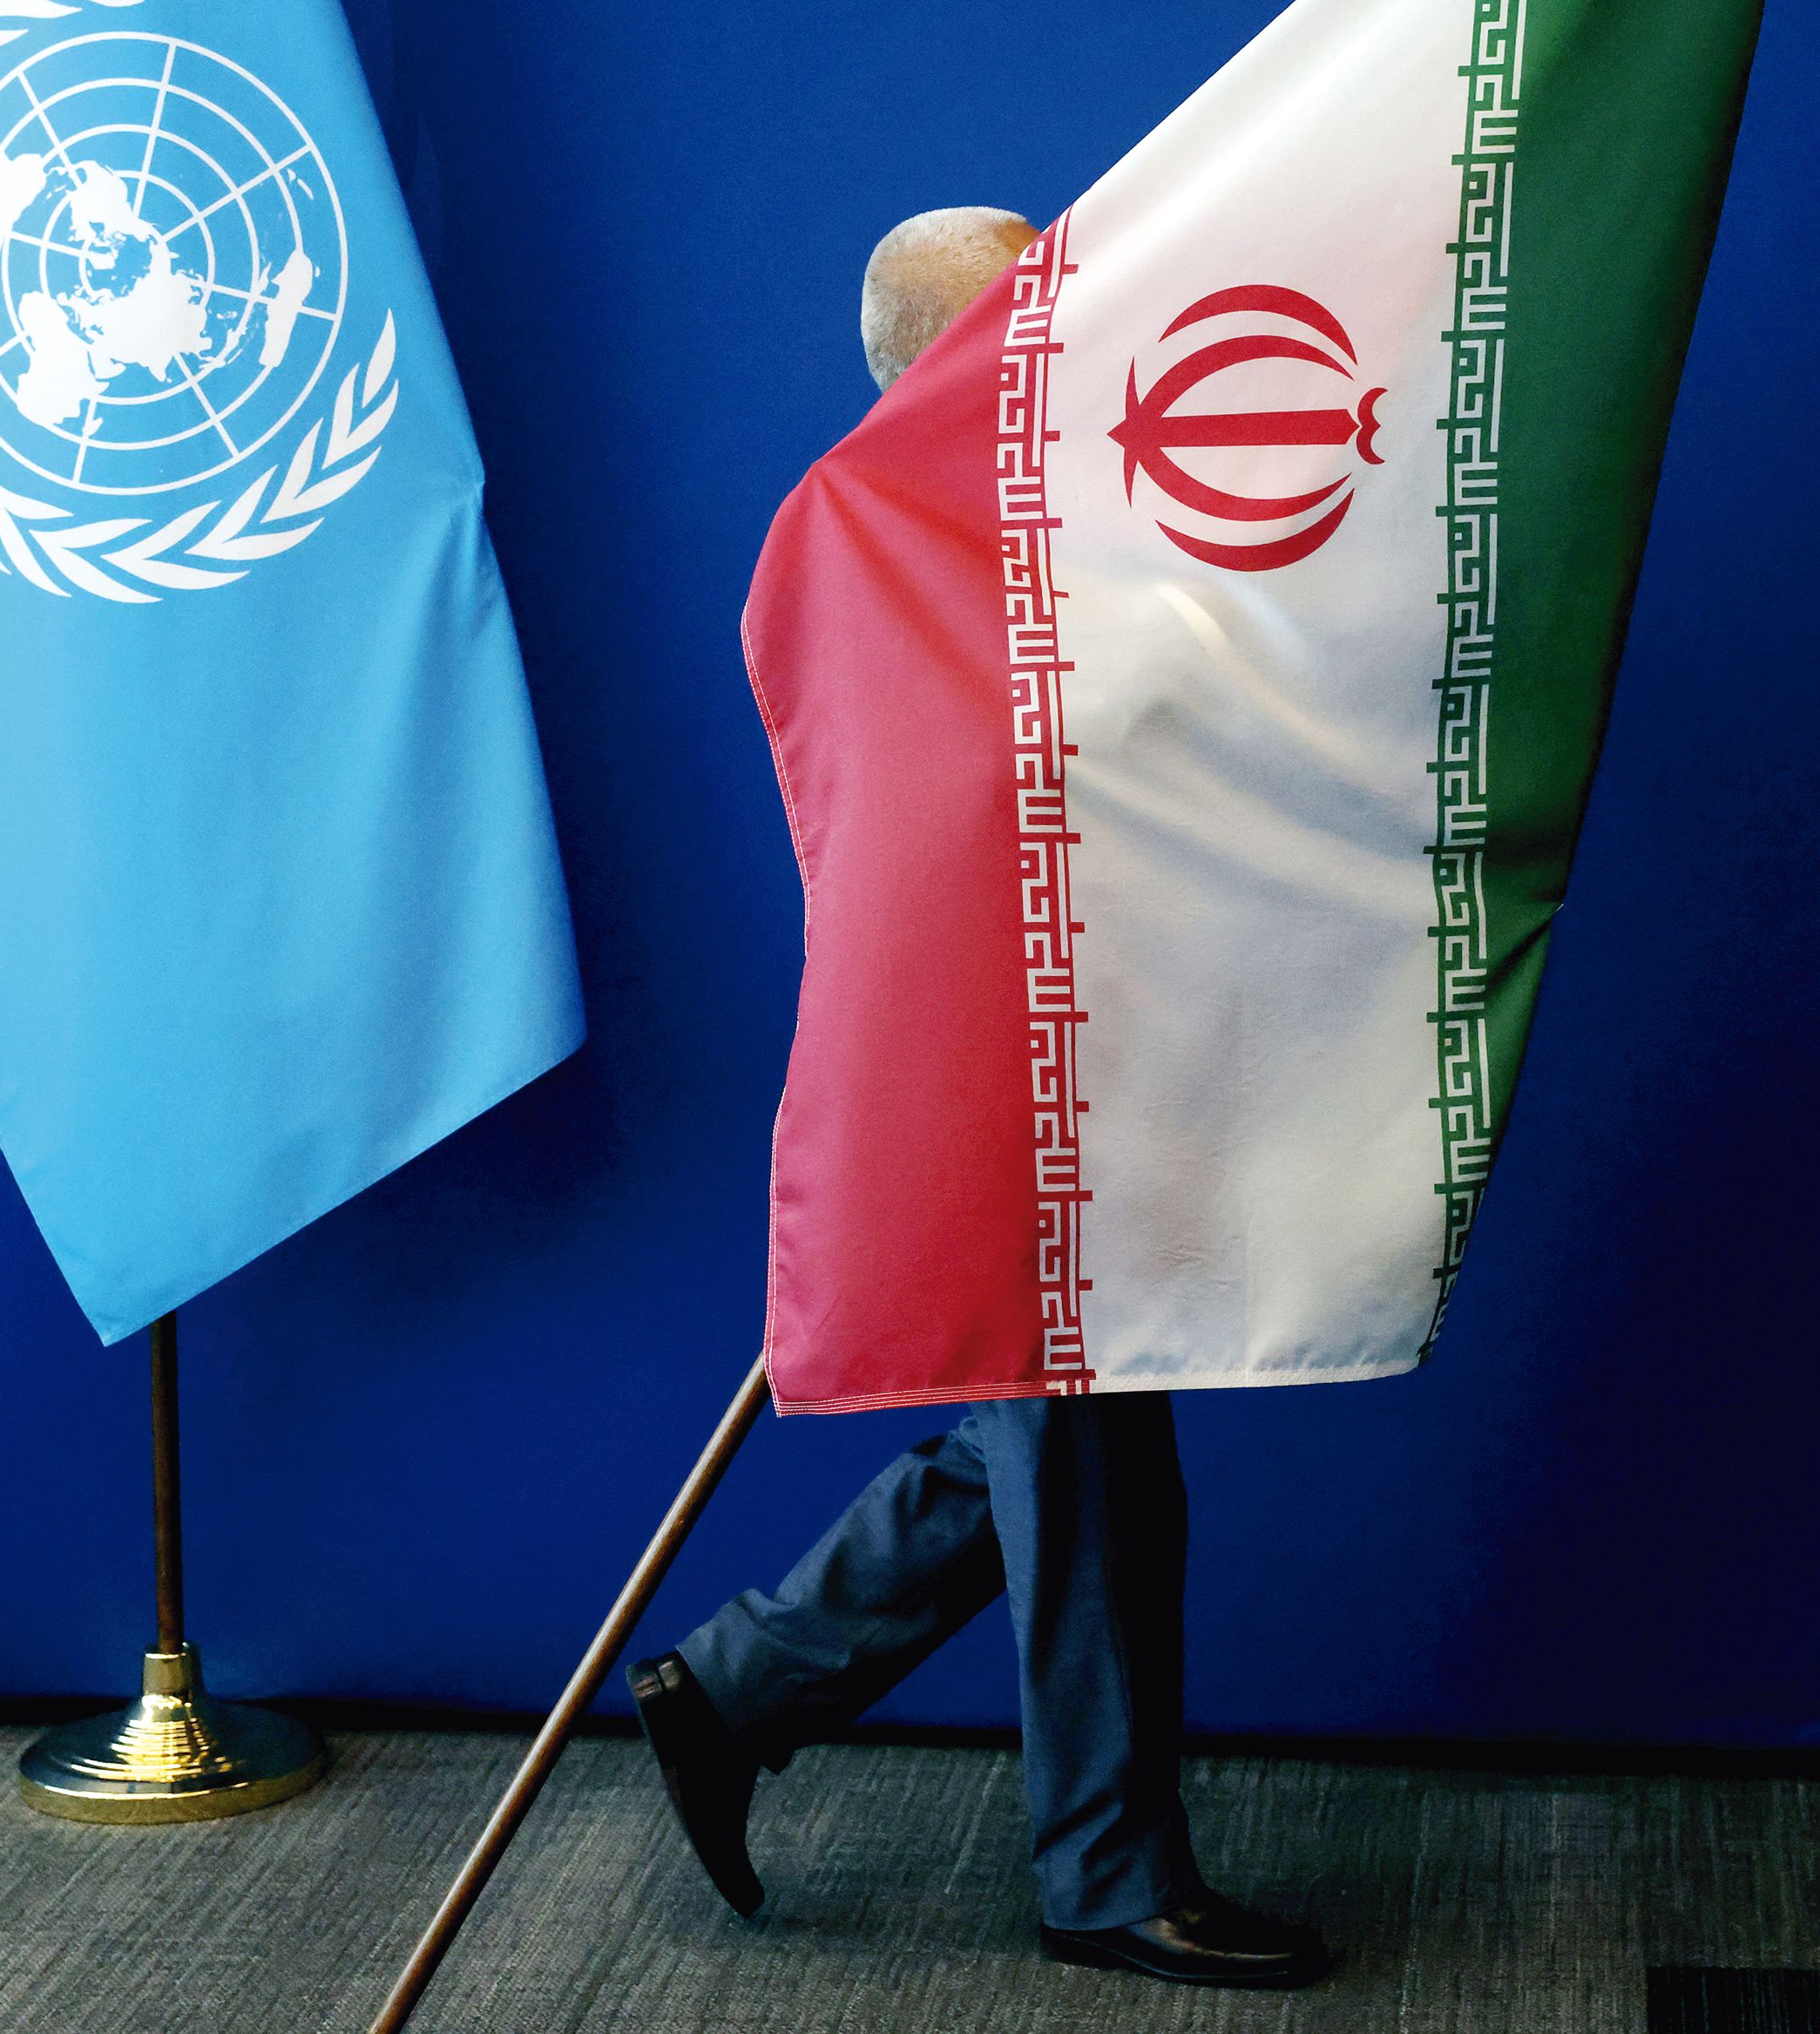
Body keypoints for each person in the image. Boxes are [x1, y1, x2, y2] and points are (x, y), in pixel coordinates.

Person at [626, 207, 1333, 1993]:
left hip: (1091, 1032)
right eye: (1039, 307)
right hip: (996, 1059)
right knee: (1089, 1457)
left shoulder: (1055, 512)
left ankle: (740, 1685)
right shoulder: (859, 531)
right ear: (959, 350)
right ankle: (1106, 1874)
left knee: (1054, 1439)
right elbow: (941, 812)